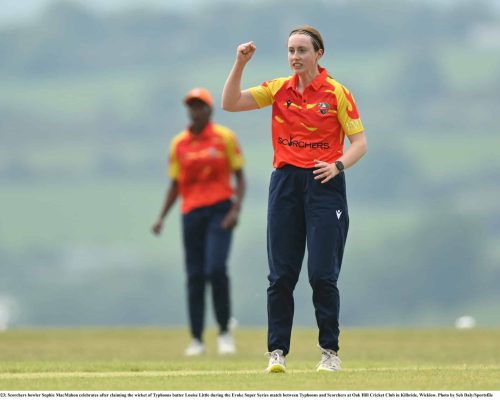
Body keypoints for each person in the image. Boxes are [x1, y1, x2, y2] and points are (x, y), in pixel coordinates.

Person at [222, 26, 367, 372]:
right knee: (281, 275)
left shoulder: (337, 93)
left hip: (324, 184)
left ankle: (329, 353)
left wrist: (337, 165)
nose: (295, 57)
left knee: (322, 274)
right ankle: (277, 354)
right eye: (291, 50)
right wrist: (240, 63)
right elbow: (229, 104)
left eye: (302, 50)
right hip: (285, 183)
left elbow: (360, 143)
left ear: (319, 54)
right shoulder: (278, 89)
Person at [152, 87, 246, 356]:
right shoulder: (179, 143)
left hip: (220, 210)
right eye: (191, 106)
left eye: (200, 106)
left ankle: (225, 332)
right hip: (191, 212)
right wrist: (161, 217)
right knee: (194, 276)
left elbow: (240, 177)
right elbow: (175, 184)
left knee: (215, 269)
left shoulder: (224, 138)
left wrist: (235, 210)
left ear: (209, 109)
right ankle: (196, 339)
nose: (195, 111)